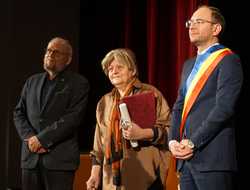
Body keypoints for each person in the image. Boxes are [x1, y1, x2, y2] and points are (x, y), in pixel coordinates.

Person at [168, 5, 243, 190]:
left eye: (199, 22)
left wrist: (193, 141)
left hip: (213, 160)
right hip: (185, 161)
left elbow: (223, 108)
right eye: (190, 22)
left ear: (216, 29)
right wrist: (173, 141)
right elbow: (179, 106)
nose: (191, 26)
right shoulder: (188, 65)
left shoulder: (228, 60)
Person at [86, 48, 171, 190]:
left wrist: (143, 134)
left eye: (119, 67)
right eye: (110, 68)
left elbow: (169, 130)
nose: (114, 71)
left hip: (145, 179)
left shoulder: (150, 94)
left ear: (132, 71)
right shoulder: (104, 102)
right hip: (111, 181)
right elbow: (98, 145)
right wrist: (95, 174)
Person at [13, 37, 89, 190]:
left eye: (56, 52)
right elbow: (18, 113)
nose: (50, 54)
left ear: (68, 59)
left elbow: (72, 118)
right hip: (30, 159)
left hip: (59, 161)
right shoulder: (31, 81)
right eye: (48, 50)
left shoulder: (78, 83)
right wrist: (30, 139)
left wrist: (42, 140)